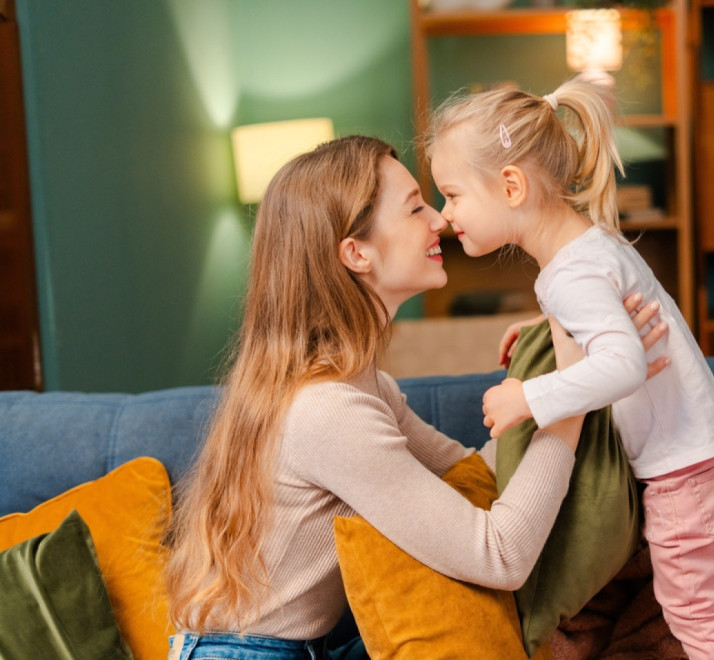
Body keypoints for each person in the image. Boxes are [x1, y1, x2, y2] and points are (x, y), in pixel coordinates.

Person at [163, 135, 669, 660]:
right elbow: (499, 555)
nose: (440, 221)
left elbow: (476, 476)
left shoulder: (364, 387)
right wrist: (569, 402)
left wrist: (571, 361)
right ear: (355, 253)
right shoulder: (328, 411)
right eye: (414, 209)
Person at [426, 79, 714, 660]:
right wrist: (546, 327)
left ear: (511, 186)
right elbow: (603, 315)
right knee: (710, 594)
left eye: (452, 195)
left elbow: (623, 365)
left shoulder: (572, 274)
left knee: (691, 608)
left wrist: (529, 398)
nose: (445, 216)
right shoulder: (583, 249)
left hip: (683, 470)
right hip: (703, 452)